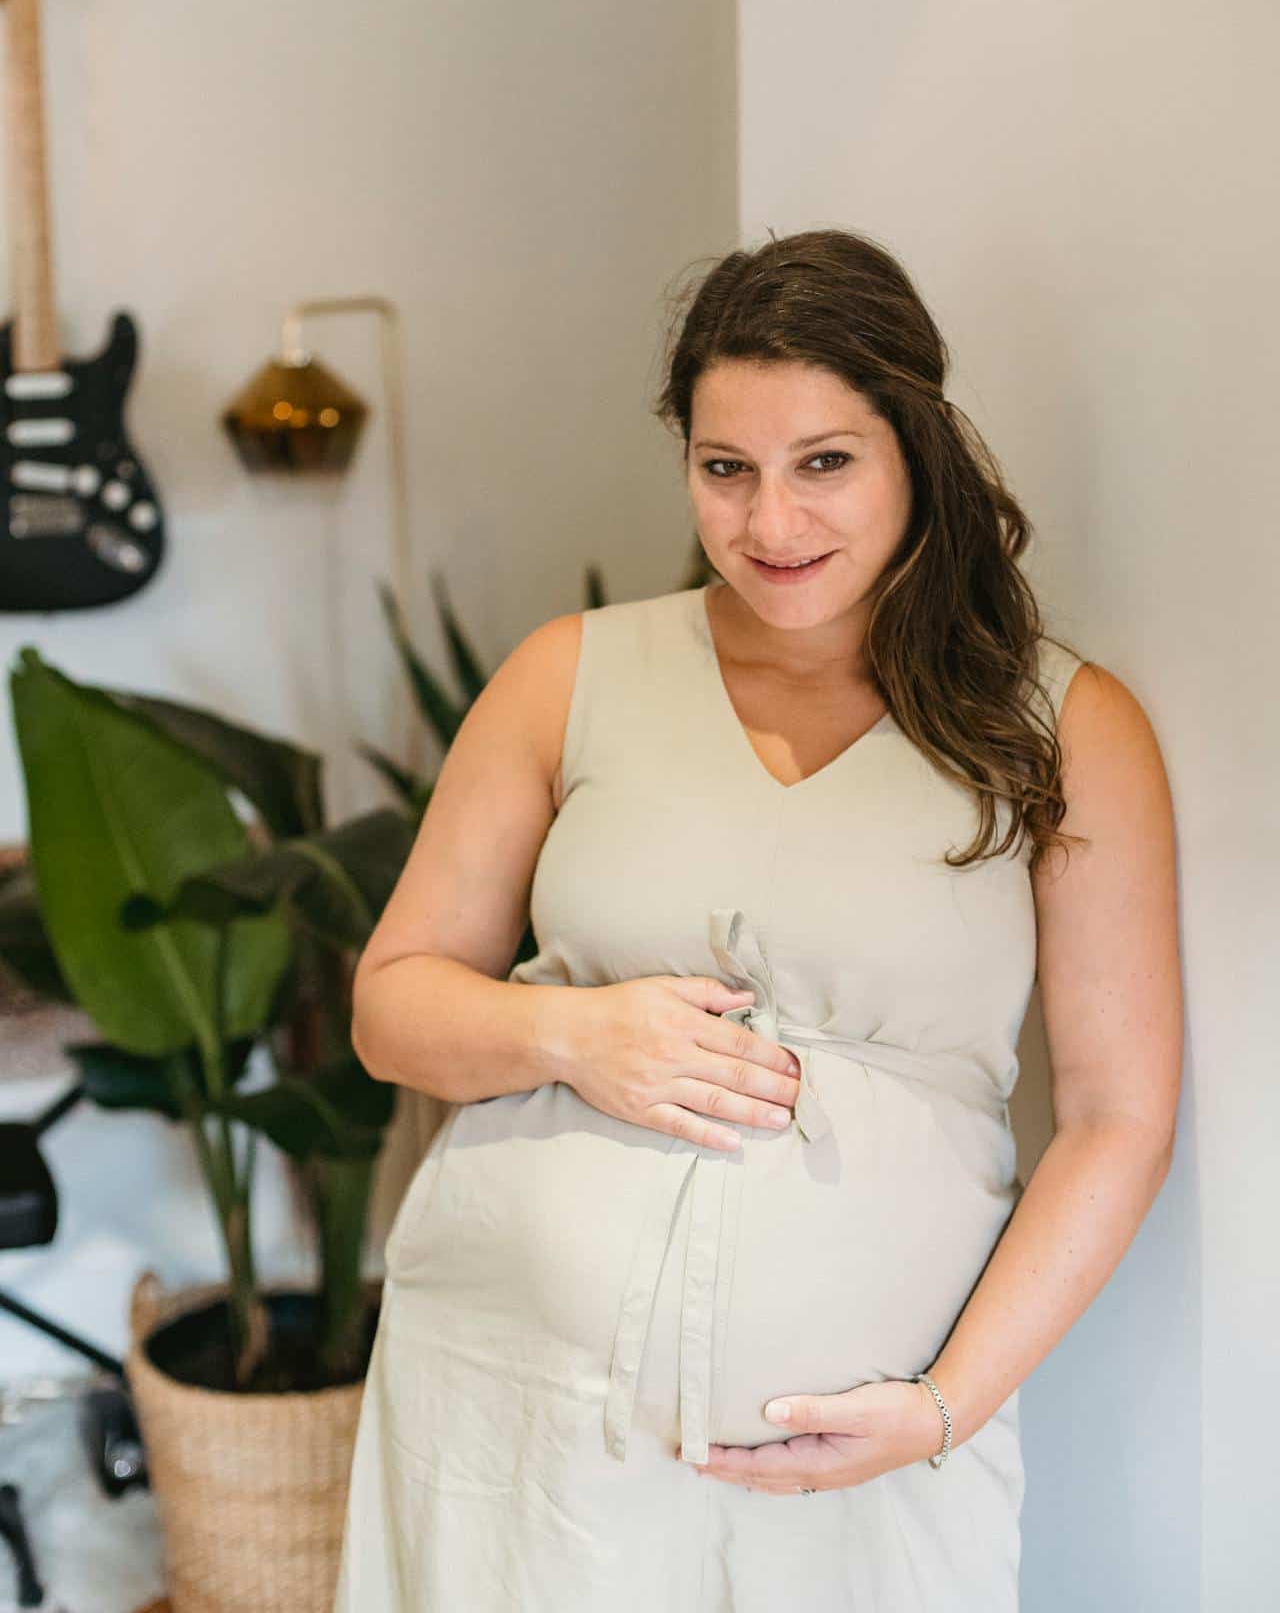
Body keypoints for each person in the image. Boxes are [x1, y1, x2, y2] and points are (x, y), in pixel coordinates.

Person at [332, 227, 1181, 1611]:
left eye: (824, 463)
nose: (771, 525)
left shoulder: (1065, 726)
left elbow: (1118, 1118)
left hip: (865, 1444)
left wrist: (947, 1406)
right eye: (726, 468)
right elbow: (391, 1006)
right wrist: (573, 1037)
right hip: (523, 1408)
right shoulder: (569, 675)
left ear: (918, 449)